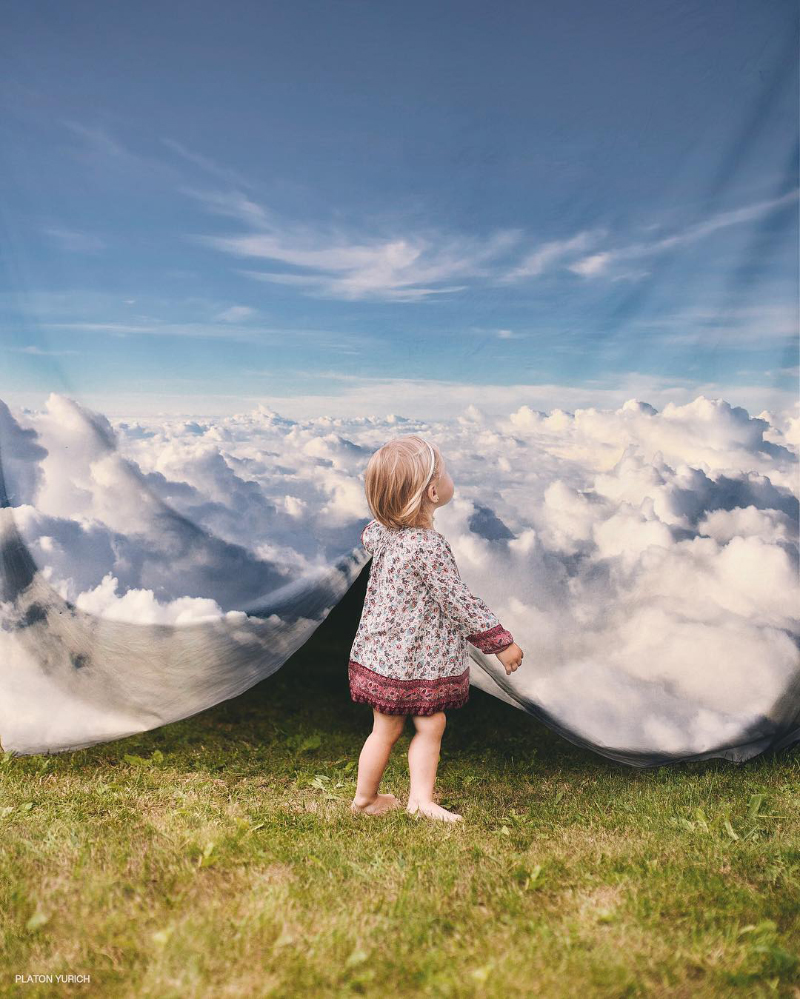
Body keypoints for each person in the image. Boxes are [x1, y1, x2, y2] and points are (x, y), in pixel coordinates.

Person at [348, 434, 524, 823]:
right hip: (415, 661)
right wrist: (500, 642)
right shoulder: (428, 547)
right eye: (443, 472)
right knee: (431, 724)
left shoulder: (383, 533)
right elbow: (458, 601)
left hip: (381, 657)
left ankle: (365, 799)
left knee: (384, 730)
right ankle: (420, 800)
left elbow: (368, 532)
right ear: (432, 492)